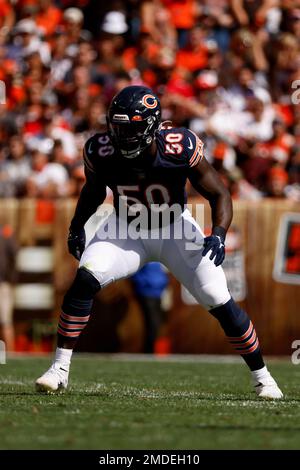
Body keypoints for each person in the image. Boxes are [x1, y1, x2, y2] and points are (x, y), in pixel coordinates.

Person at [36, 85, 283, 399]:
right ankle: (59, 369)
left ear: (151, 125)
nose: (122, 134)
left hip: (174, 229)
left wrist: (218, 234)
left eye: (132, 127)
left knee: (218, 299)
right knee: (84, 280)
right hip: (126, 229)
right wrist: (76, 226)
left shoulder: (178, 147)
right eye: (118, 126)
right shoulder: (100, 150)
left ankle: (263, 378)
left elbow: (219, 193)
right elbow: (94, 191)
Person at [0, 223, 17, 351]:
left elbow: (14, 256)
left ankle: (11, 354)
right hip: (4, 283)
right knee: (6, 322)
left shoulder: (5, 232)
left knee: (6, 322)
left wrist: (11, 280)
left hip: (3, 284)